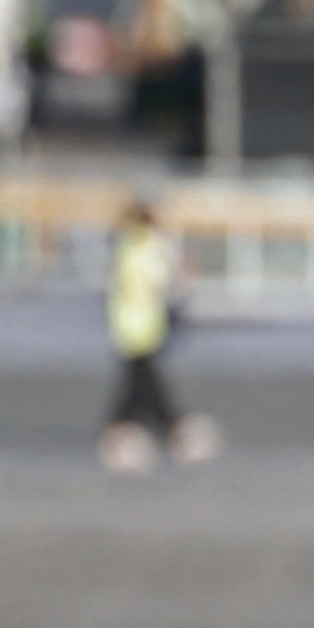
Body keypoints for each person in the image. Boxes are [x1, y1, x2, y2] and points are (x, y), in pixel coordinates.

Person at [98, 198, 214, 471]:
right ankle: (171, 431)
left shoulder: (129, 244)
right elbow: (160, 279)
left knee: (139, 382)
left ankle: (128, 430)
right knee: (144, 381)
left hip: (133, 322)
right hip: (141, 322)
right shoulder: (144, 245)